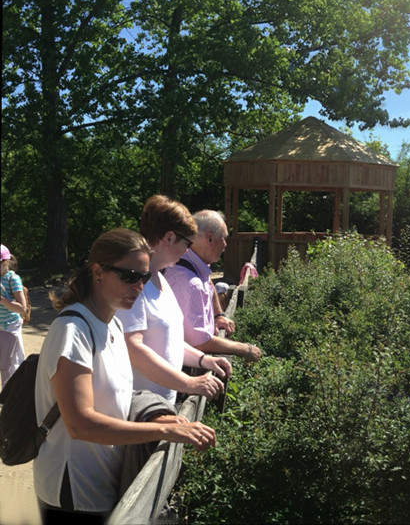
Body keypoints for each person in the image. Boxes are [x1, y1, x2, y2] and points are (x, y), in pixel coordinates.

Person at [35, 229, 219, 522]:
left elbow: (119, 394)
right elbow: (80, 424)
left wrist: (160, 417)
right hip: (73, 493)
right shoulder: (72, 332)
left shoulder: (113, 324)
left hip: (104, 482)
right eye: (130, 276)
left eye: (144, 278)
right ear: (98, 272)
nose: (139, 286)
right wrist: (164, 431)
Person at [123, 196, 228, 403]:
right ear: (169, 238)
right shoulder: (132, 283)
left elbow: (169, 340)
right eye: (187, 243)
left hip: (161, 406)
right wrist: (187, 383)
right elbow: (133, 348)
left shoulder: (160, 279)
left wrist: (203, 360)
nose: (188, 250)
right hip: (139, 410)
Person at [172, 210, 264, 360]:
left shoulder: (190, 261)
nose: (225, 245)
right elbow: (199, 342)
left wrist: (218, 315)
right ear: (209, 239)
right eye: (223, 239)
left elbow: (208, 281)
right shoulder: (189, 282)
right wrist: (244, 349)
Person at [2, 244, 28, 383]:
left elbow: (22, 308)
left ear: (5, 262)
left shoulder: (13, 279)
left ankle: (10, 398)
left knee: (11, 365)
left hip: (10, 327)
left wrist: (2, 300)